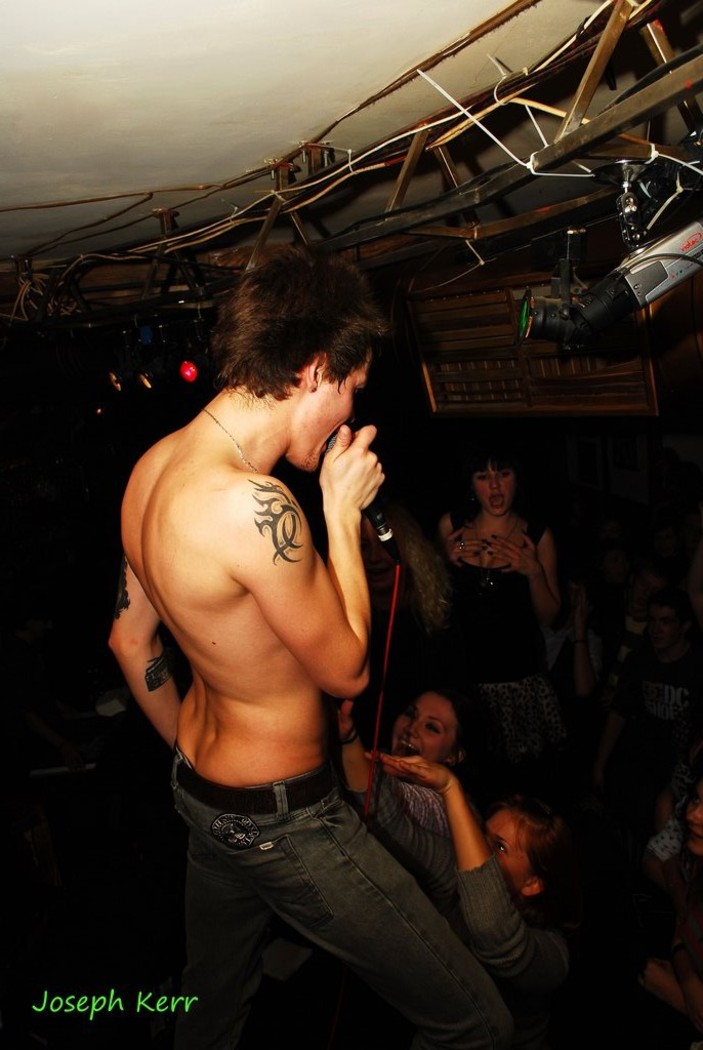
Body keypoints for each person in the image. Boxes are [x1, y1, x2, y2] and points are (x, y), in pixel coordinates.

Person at [108, 246, 512, 1050]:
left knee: (211, 1011)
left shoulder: (153, 468)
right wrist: (336, 509)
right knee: (479, 1022)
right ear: (317, 368)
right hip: (285, 820)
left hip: (205, 801)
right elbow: (348, 670)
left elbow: (128, 639)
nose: (351, 408)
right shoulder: (256, 506)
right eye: (352, 387)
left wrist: (201, 764)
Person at [376, 751, 582, 1050]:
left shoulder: (553, 955)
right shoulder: (456, 872)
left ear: (532, 883)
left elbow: (491, 930)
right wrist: (349, 743)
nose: (480, 848)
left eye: (500, 847)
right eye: (482, 833)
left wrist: (450, 789)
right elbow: (397, 829)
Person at [435, 445, 564, 801]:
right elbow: (434, 607)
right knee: (473, 785)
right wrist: (441, 562)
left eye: (503, 474)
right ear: (471, 483)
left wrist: (533, 572)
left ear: (517, 479)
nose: (494, 487)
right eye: (483, 476)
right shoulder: (451, 527)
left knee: (525, 788)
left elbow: (552, 616)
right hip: (465, 679)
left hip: (519, 682)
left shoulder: (538, 535)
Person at [592, 587, 703, 862]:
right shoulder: (640, 659)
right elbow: (619, 712)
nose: (656, 629)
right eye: (652, 620)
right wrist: (600, 764)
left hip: (682, 765)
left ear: (684, 626)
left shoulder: (697, 665)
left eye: (665, 621)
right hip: (643, 760)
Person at [639, 753, 703, 1039]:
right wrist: (687, 979)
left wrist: (677, 997)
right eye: (696, 799)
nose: (692, 815)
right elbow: (684, 923)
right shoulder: (696, 867)